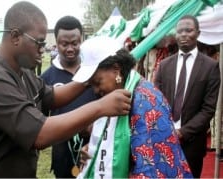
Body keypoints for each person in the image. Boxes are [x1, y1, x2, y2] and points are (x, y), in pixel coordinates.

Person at [0, 1, 131, 178]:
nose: (43, 49)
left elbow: (53, 96)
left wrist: (91, 76)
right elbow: (40, 134)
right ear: (15, 37)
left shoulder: (22, 71)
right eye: (39, 43)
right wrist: (100, 107)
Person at [74, 36, 192, 178]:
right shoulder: (121, 94)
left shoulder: (144, 102)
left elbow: (149, 168)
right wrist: (96, 151)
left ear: (116, 70)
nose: (95, 90)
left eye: (97, 82)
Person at [154, 15, 221, 178]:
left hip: (192, 145)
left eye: (188, 30)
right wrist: (166, 129)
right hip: (164, 138)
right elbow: (156, 101)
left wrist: (183, 132)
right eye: (180, 31)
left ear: (198, 33)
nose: (183, 34)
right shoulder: (164, 66)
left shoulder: (210, 67)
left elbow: (208, 109)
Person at [41, 15, 97, 178]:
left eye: (75, 43)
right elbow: (41, 122)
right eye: (64, 44)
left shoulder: (94, 72)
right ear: (56, 43)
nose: (70, 48)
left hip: (93, 150)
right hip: (63, 156)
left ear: (82, 41)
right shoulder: (46, 78)